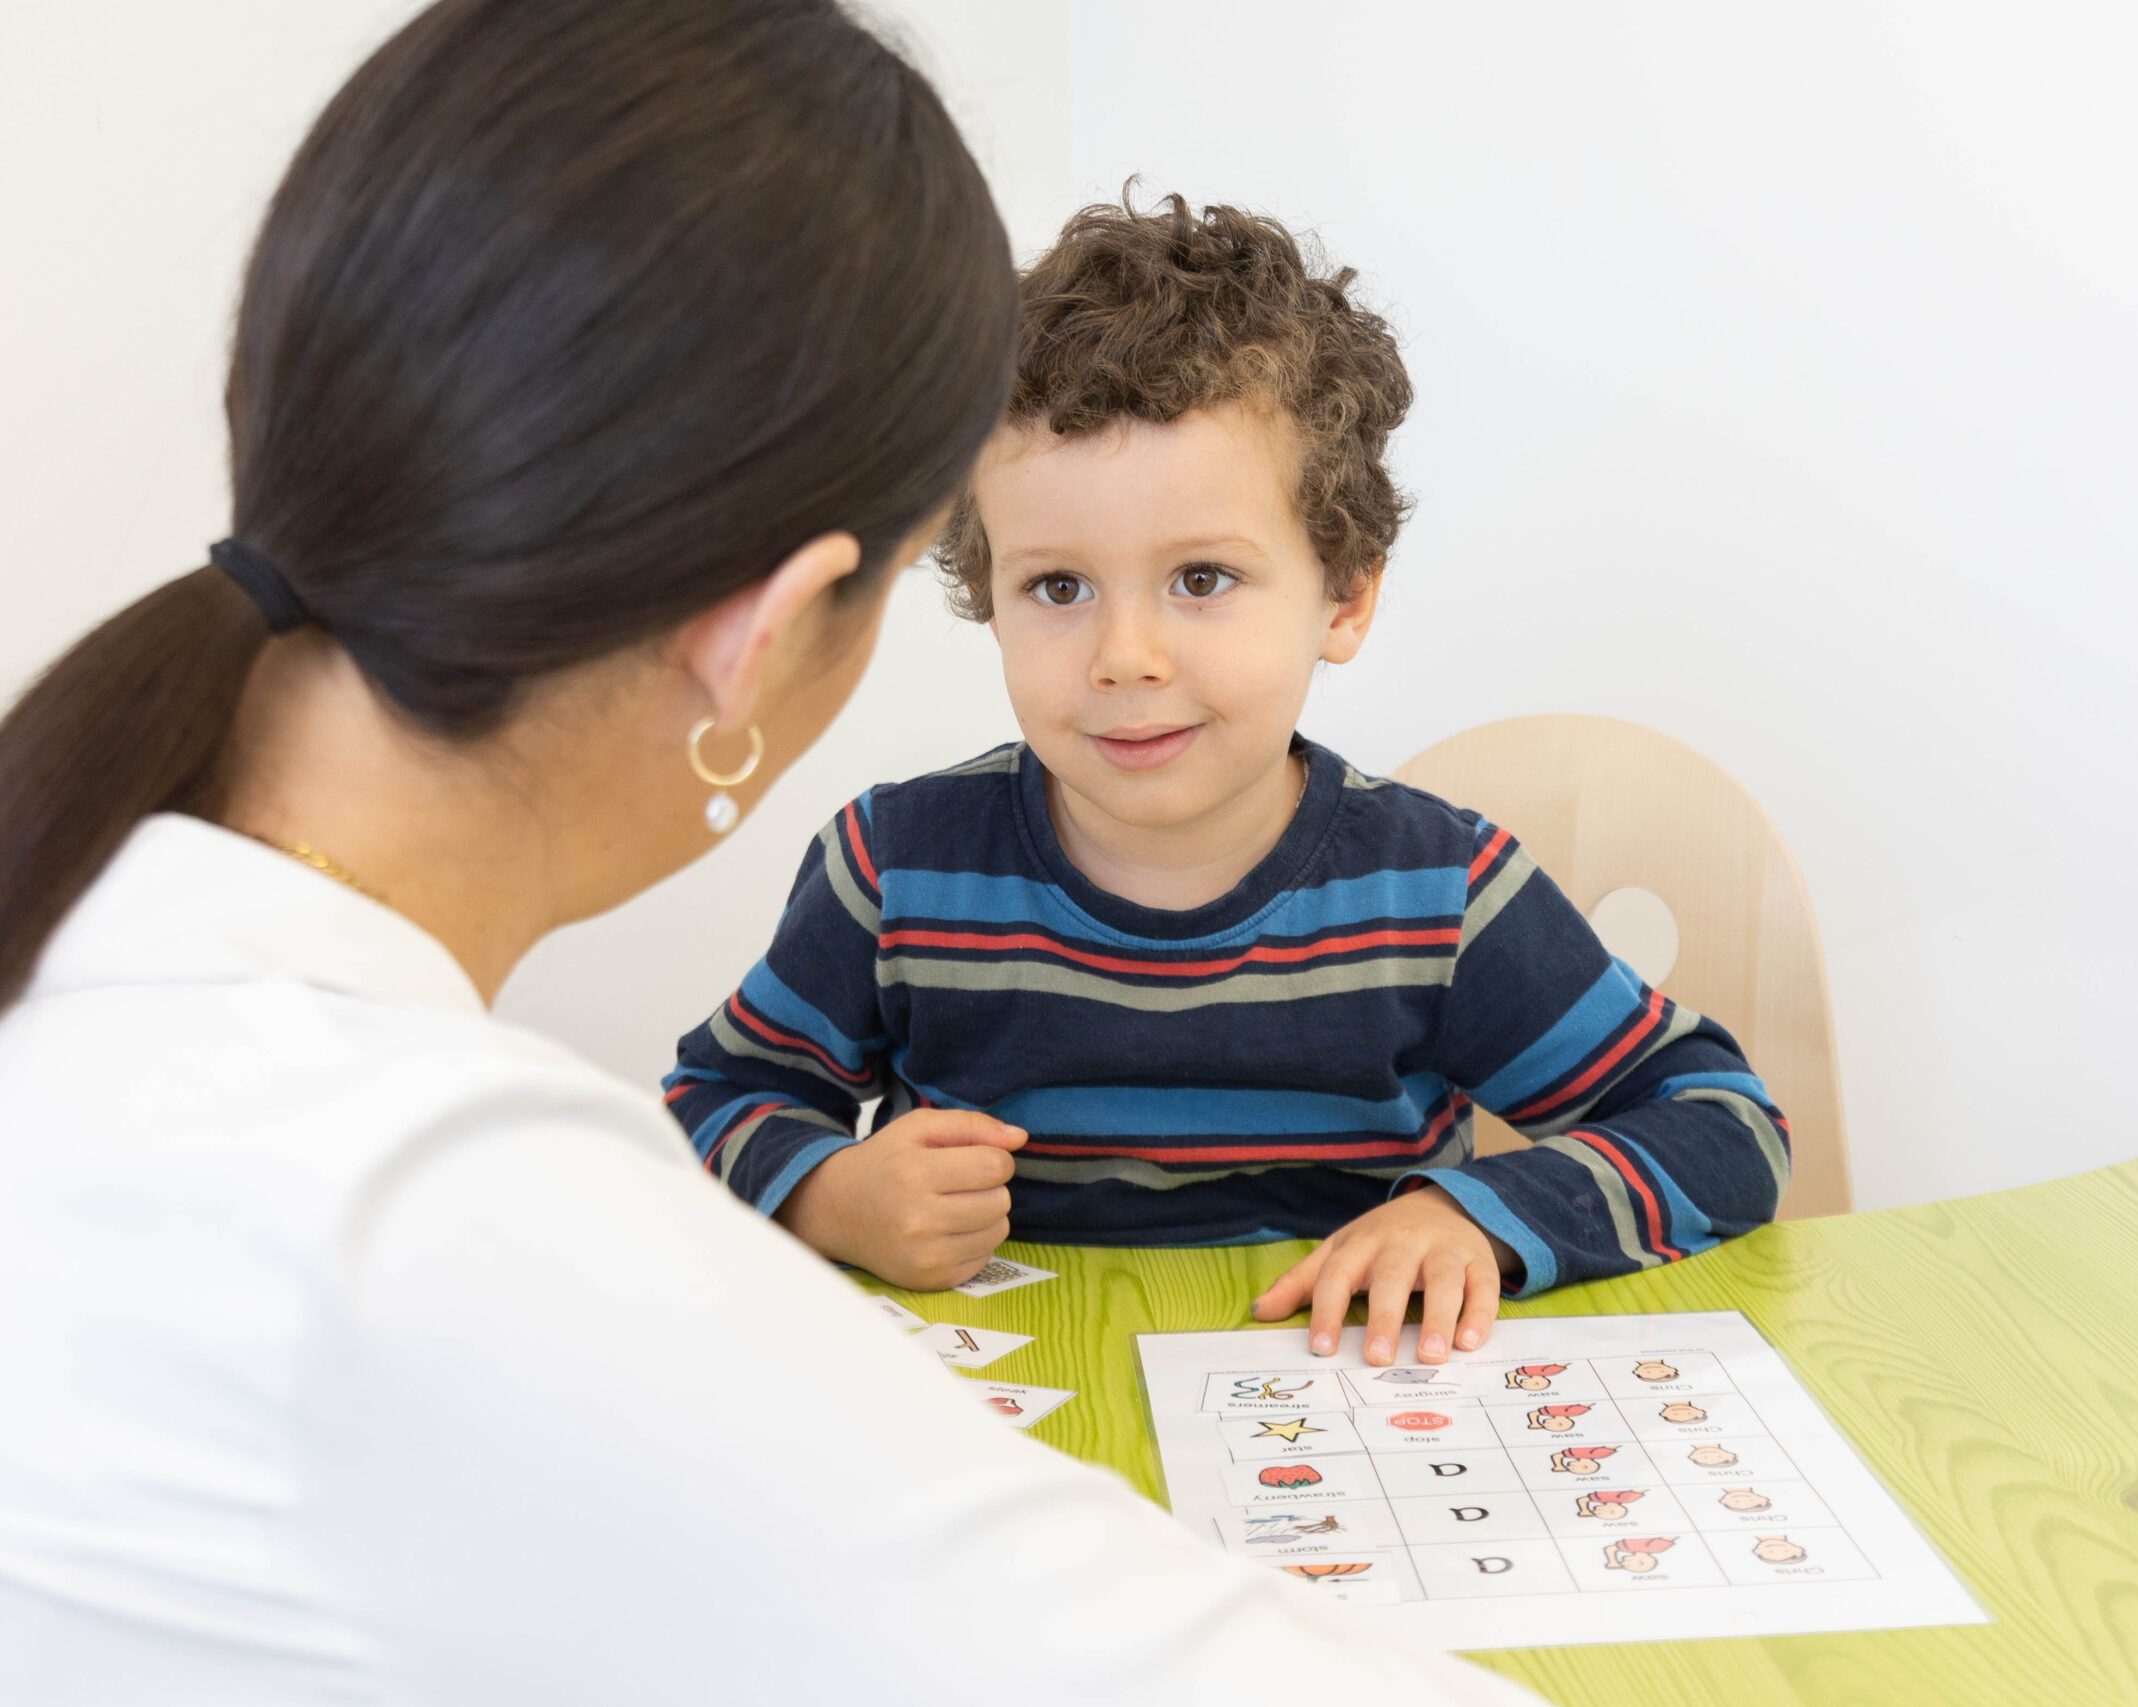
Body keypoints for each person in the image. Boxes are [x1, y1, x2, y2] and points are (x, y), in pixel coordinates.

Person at [0, 4, 1538, 1703]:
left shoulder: (109, 977)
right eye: (1036, 585)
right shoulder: (475, 1227)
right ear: (776, 629)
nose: (1125, 657)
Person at [663, 196, 1794, 1366]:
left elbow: (1724, 1127)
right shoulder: (894, 869)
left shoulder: (1437, 895)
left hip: (1340, 1437)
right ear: (985, 594)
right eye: (1057, 587)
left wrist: (1473, 1216)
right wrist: (831, 1196)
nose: (1125, 657)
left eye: (1202, 577)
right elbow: (706, 1103)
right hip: (1004, 1438)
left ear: (1343, 596)